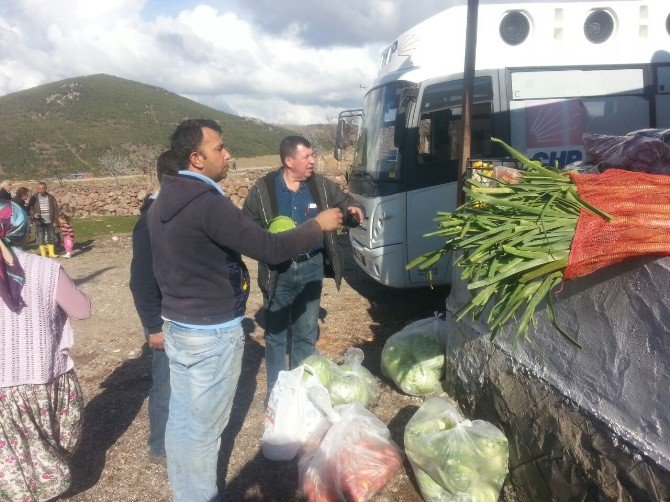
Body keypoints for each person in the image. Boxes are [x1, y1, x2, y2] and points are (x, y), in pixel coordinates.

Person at [147, 119, 343, 501]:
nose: (228, 154)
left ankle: (185, 492)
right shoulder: (208, 203)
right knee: (204, 432)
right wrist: (316, 225)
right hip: (211, 334)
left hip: (179, 326)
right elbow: (267, 248)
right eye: (219, 148)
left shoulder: (162, 202)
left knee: (182, 421)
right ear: (196, 158)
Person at [242, 135, 364, 393]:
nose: (312, 161)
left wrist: (353, 208)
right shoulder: (264, 190)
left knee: (306, 334)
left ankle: (300, 393)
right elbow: (248, 224)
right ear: (289, 160)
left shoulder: (320, 185)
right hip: (279, 271)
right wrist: (267, 243)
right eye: (306, 156)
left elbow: (343, 201)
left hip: (312, 268)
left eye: (312, 156)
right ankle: (277, 395)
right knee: (275, 337)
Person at [0, 200, 91, 500]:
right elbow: (81, 310)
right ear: (23, 231)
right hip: (44, 376)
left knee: (12, 456)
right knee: (47, 444)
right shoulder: (45, 269)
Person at [129, 149, 180, 468]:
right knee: (165, 382)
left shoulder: (176, 211)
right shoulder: (151, 218)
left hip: (185, 315)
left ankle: (178, 437)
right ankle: (160, 444)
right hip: (165, 319)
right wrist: (153, 327)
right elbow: (141, 279)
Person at [28, 181, 59, 257]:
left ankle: (51, 253)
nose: (41, 190)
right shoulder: (33, 198)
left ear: (46, 188)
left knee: (51, 237)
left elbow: (56, 209)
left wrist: (55, 221)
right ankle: (43, 254)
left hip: (50, 221)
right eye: (39, 188)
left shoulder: (51, 197)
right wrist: (33, 214)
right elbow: (30, 208)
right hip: (39, 221)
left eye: (43, 188)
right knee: (40, 237)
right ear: (37, 189)